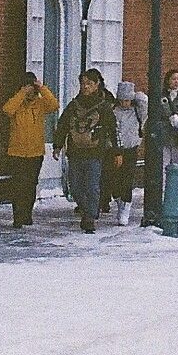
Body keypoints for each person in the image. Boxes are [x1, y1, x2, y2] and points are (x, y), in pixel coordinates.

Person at [54, 68, 117, 232]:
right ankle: (86, 208)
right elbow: (62, 125)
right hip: (75, 151)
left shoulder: (103, 107)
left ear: (97, 84)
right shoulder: (74, 105)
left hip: (95, 152)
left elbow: (113, 129)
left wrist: (117, 152)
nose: (85, 87)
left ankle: (90, 216)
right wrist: (57, 145)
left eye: (89, 83)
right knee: (75, 187)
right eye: (83, 83)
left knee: (92, 186)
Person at [2, 72, 57, 228]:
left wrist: (42, 88)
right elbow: (7, 110)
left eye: (32, 89)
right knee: (18, 185)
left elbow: (54, 105)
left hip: (35, 152)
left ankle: (27, 214)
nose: (30, 93)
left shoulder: (40, 104)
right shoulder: (16, 102)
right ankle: (18, 216)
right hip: (17, 152)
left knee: (31, 184)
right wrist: (22, 93)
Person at [107, 80, 148, 224]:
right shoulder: (113, 111)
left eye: (128, 100)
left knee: (127, 179)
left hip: (131, 149)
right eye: (122, 100)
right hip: (116, 150)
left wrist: (135, 95)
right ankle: (119, 201)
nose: (125, 103)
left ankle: (126, 208)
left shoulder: (137, 111)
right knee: (115, 180)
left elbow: (144, 101)